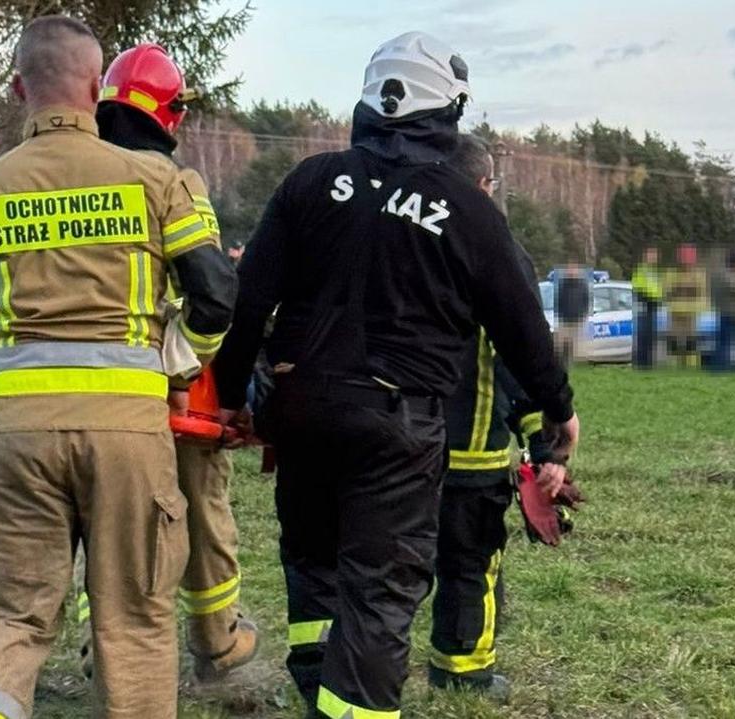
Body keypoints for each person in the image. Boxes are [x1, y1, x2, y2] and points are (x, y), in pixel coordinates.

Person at [210, 32, 579, 719]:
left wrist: (232, 397)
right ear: (446, 113)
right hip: (395, 423)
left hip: (301, 408)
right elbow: (520, 325)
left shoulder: (309, 182)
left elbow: (246, 302)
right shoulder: (465, 207)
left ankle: (318, 678)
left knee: (316, 561)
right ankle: (348, 705)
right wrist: (558, 410)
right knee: (381, 592)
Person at [0, 16, 236, 719]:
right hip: (129, 433)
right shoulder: (156, 179)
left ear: (20, 86)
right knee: (134, 620)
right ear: (96, 85)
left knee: (7, 613)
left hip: (15, 429)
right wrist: (174, 359)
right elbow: (214, 292)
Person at [96, 42, 258, 681]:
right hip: (171, 391)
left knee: (106, 527)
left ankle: (99, 651)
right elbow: (213, 290)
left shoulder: (71, 174)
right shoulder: (173, 183)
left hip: (92, 392)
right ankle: (217, 642)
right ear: (167, 115)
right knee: (200, 511)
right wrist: (186, 363)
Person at [426, 134, 558, 698]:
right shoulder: (499, 250)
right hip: (470, 448)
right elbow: (523, 353)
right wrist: (544, 446)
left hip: (392, 442)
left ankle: (347, 669)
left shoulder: (398, 238)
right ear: (484, 186)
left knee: (380, 566)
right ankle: (463, 674)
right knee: (471, 562)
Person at [664, 243, 708, 368]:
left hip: (690, 316)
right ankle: (674, 367)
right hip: (675, 315)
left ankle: (691, 367)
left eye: (688, 261)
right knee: (674, 343)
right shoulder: (672, 274)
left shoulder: (699, 274)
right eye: (684, 261)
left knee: (691, 344)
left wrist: (697, 308)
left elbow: (703, 295)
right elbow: (666, 294)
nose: (686, 264)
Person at [631, 246, 663, 367]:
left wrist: (659, 300)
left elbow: (660, 289)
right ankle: (641, 363)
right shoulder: (641, 270)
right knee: (642, 337)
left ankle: (649, 363)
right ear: (646, 256)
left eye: (655, 256)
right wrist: (645, 299)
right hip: (644, 307)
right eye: (651, 255)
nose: (653, 258)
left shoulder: (657, 272)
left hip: (654, 308)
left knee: (651, 338)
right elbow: (637, 288)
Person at [553, 265, 590, 365]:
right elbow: (559, 300)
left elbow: (586, 300)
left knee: (573, 343)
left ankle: (570, 362)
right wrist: (560, 314)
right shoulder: (564, 284)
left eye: (573, 270)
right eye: (570, 270)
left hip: (577, 319)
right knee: (561, 343)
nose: (571, 272)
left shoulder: (582, 285)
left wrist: (583, 314)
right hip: (565, 318)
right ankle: (560, 362)